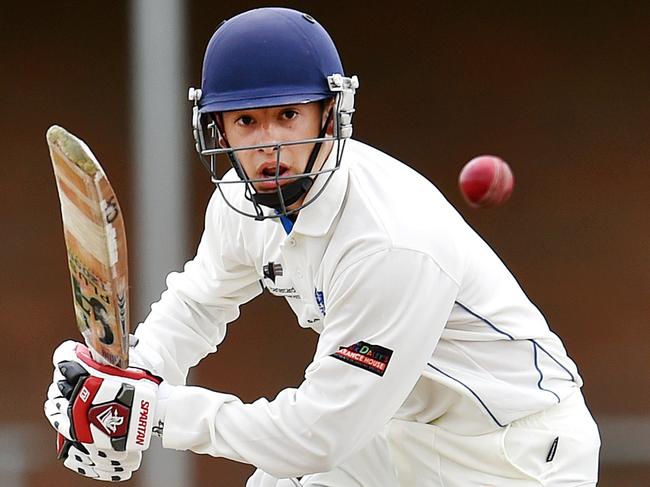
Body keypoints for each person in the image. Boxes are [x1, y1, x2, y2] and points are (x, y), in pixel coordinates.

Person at [44, 7, 600, 486]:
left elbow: (315, 436)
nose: (270, 145)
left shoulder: (389, 241)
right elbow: (197, 305)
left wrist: (154, 414)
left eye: (288, 115)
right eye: (246, 121)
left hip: (518, 455)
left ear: (330, 115)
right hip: (403, 436)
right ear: (218, 130)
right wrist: (124, 378)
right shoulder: (242, 202)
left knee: (294, 458)